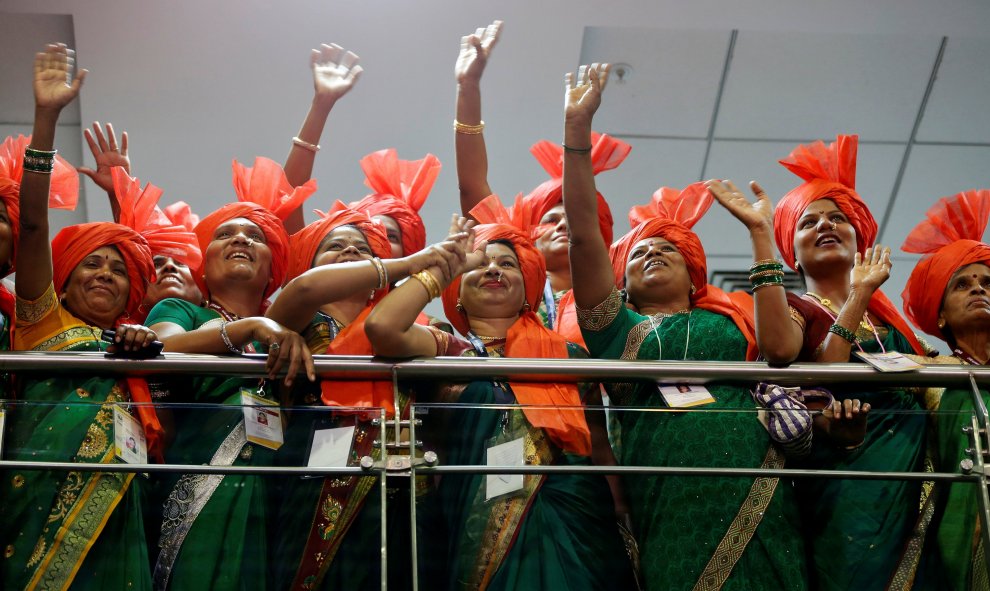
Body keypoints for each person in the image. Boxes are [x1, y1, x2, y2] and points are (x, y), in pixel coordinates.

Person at [562, 63, 807, 590]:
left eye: (666, 247)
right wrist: (577, 136)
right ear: (620, 280)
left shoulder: (733, 315)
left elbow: (782, 349)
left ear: (693, 267)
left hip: (757, 475)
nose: (653, 253)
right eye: (639, 252)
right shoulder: (613, 327)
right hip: (665, 490)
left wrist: (761, 234)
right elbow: (583, 237)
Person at [707, 134, 932, 590]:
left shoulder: (891, 324)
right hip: (843, 478)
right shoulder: (798, 308)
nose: (825, 226)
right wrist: (759, 233)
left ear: (859, 235)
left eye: (837, 218)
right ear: (792, 248)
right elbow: (781, 353)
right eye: (809, 222)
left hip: (915, 469)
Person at [365, 216, 635, 590]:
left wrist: (623, 514)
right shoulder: (446, 350)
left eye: (507, 264)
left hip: (574, 517)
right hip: (465, 514)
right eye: (479, 264)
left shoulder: (568, 355)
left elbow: (598, 447)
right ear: (456, 292)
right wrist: (439, 269)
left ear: (528, 290)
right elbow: (381, 329)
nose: (493, 269)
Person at [1, 43, 162, 591]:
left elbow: (139, 249)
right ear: (61, 281)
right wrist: (46, 118)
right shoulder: (42, 320)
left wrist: (122, 193)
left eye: (118, 271)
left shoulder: (134, 341)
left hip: (119, 510)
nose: (104, 275)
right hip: (33, 502)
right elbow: (31, 226)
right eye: (90, 263)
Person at [264, 203, 458, 590]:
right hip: (311, 477)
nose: (351, 251)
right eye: (335, 246)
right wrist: (415, 263)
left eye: (364, 248)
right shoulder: (295, 321)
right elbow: (304, 288)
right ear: (312, 263)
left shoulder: (421, 325)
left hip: (407, 481)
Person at [146, 155, 316, 590]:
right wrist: (249, 328)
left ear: (273, 265)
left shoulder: (290, 331)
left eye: (255, 236)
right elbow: (162, 345)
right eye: (225, 233)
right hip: (201, 482)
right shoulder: (182, 309)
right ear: (204, 262)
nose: (240, 238)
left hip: (277, 487)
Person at [453, 21, 630, 345]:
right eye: (550, 219)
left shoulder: (618, 298)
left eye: (569, 220)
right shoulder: (505, 274)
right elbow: (472, 187)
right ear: (529, 235)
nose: (563, 225)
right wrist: (468, 87)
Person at [901, 189, 990, 590]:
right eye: (963, 284)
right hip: (959, 534)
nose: (979, 289)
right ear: (938, 313)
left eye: (988, 282)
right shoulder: (930, 374)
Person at [77, 122, 204, 312]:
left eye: (181, 264)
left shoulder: (232, 328)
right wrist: (119, 190)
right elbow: (133, 247)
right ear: (134, 286)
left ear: (205, 290)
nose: (169, 267)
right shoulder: (123, 334)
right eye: (157, 263)